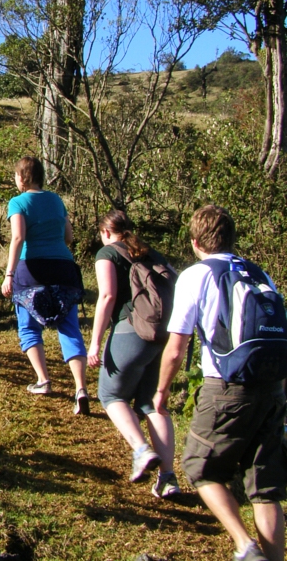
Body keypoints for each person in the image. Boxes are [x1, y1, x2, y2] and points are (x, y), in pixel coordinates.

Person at [154, 205, 286, 561]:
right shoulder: (260, 274)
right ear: (231, 237)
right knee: (266, 489)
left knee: (200, 467)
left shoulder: (196, 276)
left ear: (195, 241)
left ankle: (245, 546)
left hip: (225, 387)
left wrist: (162, 392)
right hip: (272, 387)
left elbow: (176, 348)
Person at [87, 210, 179, 497]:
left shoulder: (107, 253)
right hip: (162, 335)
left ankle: (141, 450)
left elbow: (107, 296)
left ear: (105, 232)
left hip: (131, 330)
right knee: (153, 404)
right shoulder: (153, 253)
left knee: (111, 395)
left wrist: (95, 342)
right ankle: (168, 477)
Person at [0, 156, 89, 415]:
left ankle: (43, 380)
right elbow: (69, 236)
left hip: (31, 269)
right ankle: (81, 388)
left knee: (28, 327)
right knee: (69, 327)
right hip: (63, 266)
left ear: (23, 177)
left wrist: (9, 274)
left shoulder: (17, 202)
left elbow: (18, 237)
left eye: (16, 175)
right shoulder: (56, 200)